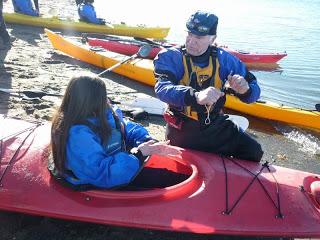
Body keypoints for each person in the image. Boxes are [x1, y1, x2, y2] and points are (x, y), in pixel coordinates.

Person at [153, 10, 263, 162]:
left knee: (254, 152)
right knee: (190, 166)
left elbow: (253, 93)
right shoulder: (171, 56)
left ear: (213, 38)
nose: (191, 41)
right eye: (189, 34)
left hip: (215, 125)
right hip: (183, 129)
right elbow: (162, 89)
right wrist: (195, 96)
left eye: (198, 37)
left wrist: (246, 90)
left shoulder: (225, 60)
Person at [50, 74, 188, 190]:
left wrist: (146, 140)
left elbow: (125, 127)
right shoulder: (77, 135)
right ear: (91, 100)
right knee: (165, 180)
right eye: (102, 96)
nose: (106, 100)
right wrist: (139, 154)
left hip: (119, 165)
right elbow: (101, 174)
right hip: (100, 181)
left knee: (169, 176)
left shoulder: (104, 111)